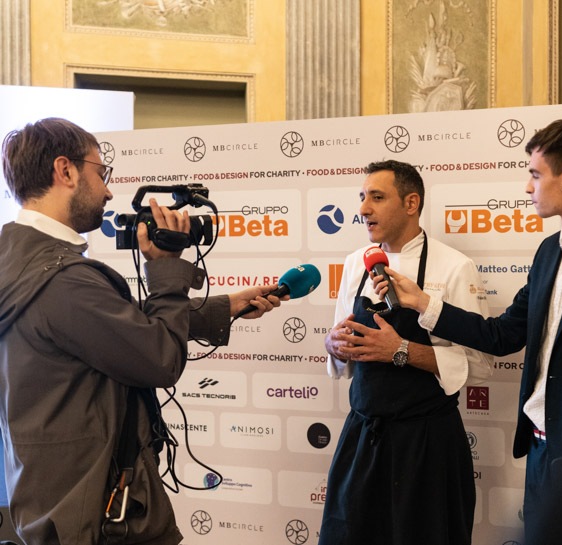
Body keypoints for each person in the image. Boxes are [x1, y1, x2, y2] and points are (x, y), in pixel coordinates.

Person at [0, 117, 285, 545]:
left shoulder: (22, 262)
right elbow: (158, 359)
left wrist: (224, 307)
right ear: (65, 170)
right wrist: (166, 268)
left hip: (57, 500)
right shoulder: (63, 280)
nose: (108, 191)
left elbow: (114, 329)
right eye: (102, 173)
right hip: (100, 515)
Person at [378, 118, 562, 544]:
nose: (527, 187)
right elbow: (502, 335)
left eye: (535, 174)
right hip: (539, 452)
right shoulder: (549, 252)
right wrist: (423, 303)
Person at [320, 159, 492, 545]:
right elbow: (340, 348)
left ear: (411, 203)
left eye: (377, 197)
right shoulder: (355, 264)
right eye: (362, 197)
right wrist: (334, 346)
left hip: (428, 445)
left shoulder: (455, 267)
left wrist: (400, 350)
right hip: (363, 439)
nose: (363, 208)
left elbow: (480, 366)